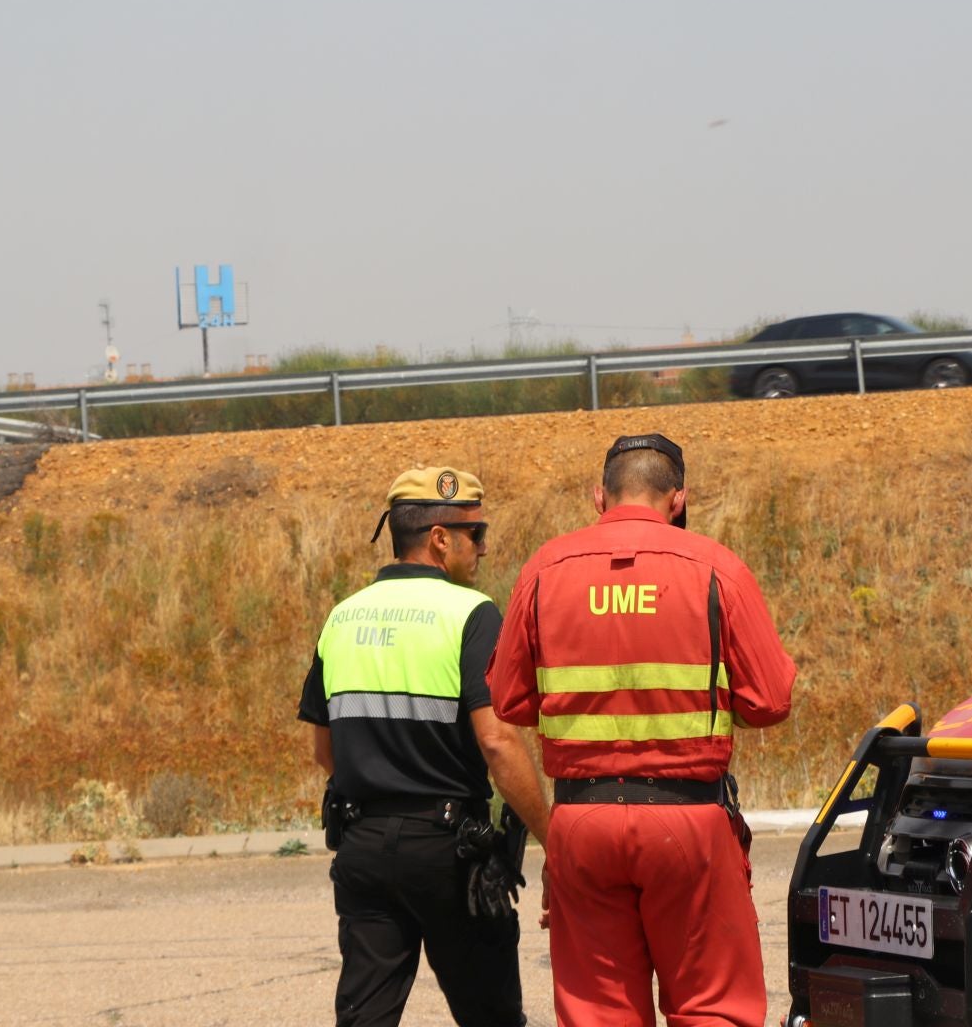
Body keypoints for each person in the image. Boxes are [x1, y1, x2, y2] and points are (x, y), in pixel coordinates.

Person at [487, 434, 797, 1027]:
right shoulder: (715, 567)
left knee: (599, 1015)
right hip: (689, 821)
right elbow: (770, 702)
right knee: (711, 1007)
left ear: (598, 496)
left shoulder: (545, 570)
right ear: (678, 499)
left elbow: (509, 700)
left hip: (581, 822)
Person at [299, 466, 552, 1027]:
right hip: (448, 855)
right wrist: (552, 841)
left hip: (362, 846)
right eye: (477, 534)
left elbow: (324, 751)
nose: (484, 548)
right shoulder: (472, 614)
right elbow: (497, 741)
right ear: (440, 539)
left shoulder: (342, 616)